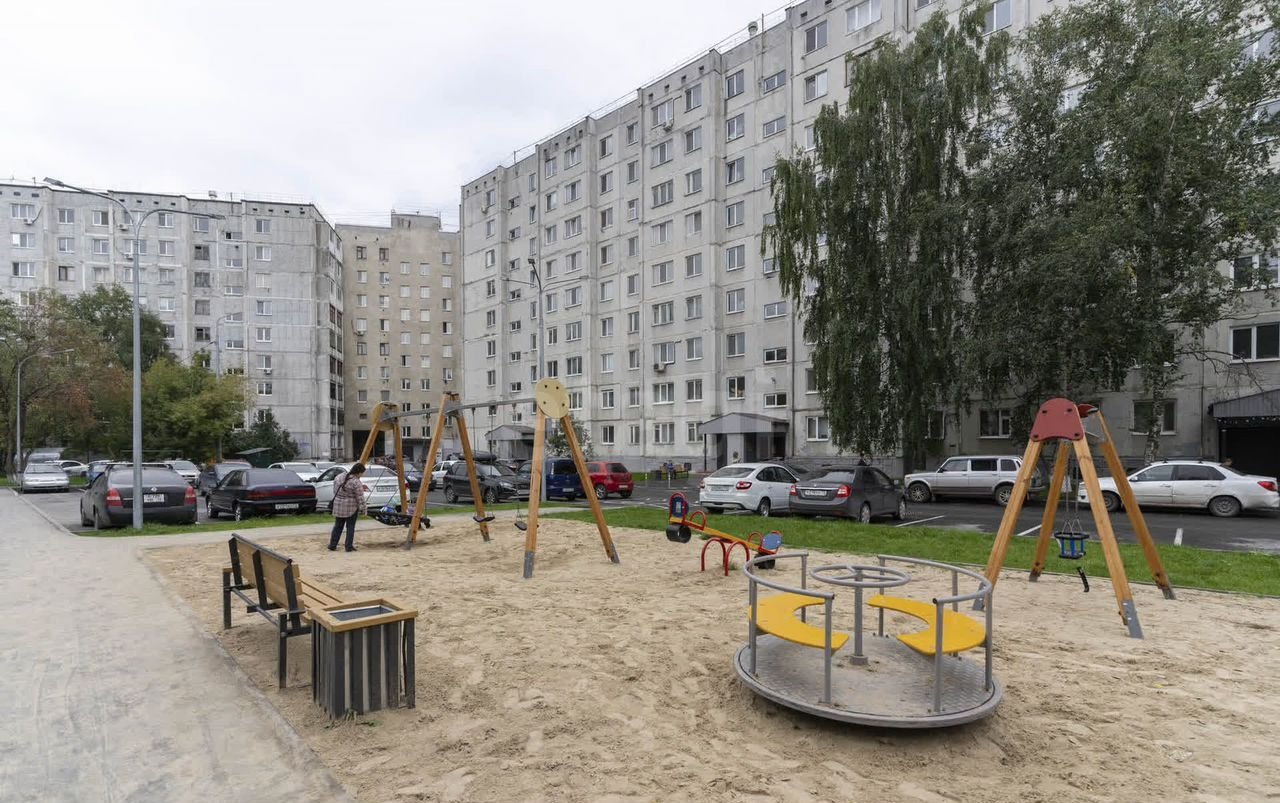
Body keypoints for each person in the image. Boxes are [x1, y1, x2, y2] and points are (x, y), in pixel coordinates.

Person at [328, 463, 367, 552]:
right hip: (351, 508)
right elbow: (360, 497)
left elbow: (335, 490)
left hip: (338, 505)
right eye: (362, 473)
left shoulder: (339, 477)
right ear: (359, 472)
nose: (362, 475)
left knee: (338, 526)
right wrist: (363, 509)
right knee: (350, 527)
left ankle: (332, 545)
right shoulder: (356, 482)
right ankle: (348, 546)